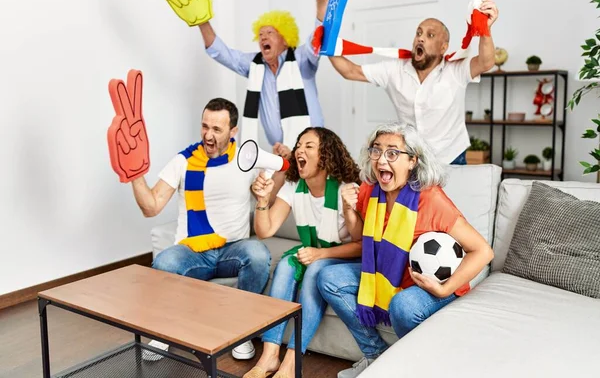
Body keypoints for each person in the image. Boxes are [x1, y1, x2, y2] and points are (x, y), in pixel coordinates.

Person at [317, 122, 494, 378]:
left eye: (392, 153)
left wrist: (444, 288)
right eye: (376, 151)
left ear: (412, 160)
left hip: (429, 286)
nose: (381, 160)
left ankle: (412, 368)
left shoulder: (430, 199)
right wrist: (347, 209)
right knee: (328, 278)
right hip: (388, 274)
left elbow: (483, 251)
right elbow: (359, 238)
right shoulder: (370, 190)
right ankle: (375, 356)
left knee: (403, 305)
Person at [132, 97, 271, 360]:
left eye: (217, 130)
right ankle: (163, 331)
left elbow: (270, 195)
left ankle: (241, 332)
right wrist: (135, 175)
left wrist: (267, 188)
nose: (208, 135)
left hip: (233, 249)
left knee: (259, 255)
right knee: (164, 263)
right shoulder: (183, 161)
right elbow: (151, 207)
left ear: (233, 132)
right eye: (204, 126)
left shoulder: (246, 158)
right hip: (194, 251)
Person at [243, 127, 362, 378]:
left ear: (325, 154)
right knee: (286, 265)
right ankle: (269, 356)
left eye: (309, 146)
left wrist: (319, 255)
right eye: (299, 145)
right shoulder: (293, 186)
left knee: (315, 269)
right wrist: (263, 201)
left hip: (342, 257)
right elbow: (266, 230)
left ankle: (290, 363)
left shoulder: (345, 189)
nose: (299, 150)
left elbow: (362, 246)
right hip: (313, 250)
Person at [327, 0, 499, 165]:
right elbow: (350, 71)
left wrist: (485, 28)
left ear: (443, 47)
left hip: (451, 158)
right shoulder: (394, 69)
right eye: (418, 33)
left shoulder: (455, 70)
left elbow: (486, 62)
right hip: (412, 160)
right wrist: (327, 45)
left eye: (430, 35)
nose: (421, 38)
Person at [198, 0, 330, 158]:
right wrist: (201, 20)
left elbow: (320, 36)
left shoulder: (301, 60)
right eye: (260, 34)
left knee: (315, 187)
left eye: (270, 33)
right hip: (278, 152)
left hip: (313, 150)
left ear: (285, 38)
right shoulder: (255, 65)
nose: (263, 38)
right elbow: (222, 53)